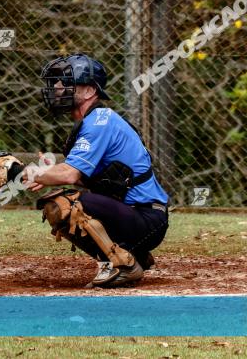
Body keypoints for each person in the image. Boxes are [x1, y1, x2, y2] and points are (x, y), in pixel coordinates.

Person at [23, 54, 169, 288]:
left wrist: (18, 172)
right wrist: (49, 173)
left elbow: (69, 175)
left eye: (67, 82)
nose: (58, 87)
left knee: (63, 205)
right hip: (136, 215)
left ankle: (124, 263)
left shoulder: (99, 122)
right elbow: (92, 179)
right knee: (62, 203)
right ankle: (134, 253)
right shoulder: (94, 121)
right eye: (57, 82)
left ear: (90, 90)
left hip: (147, 218)